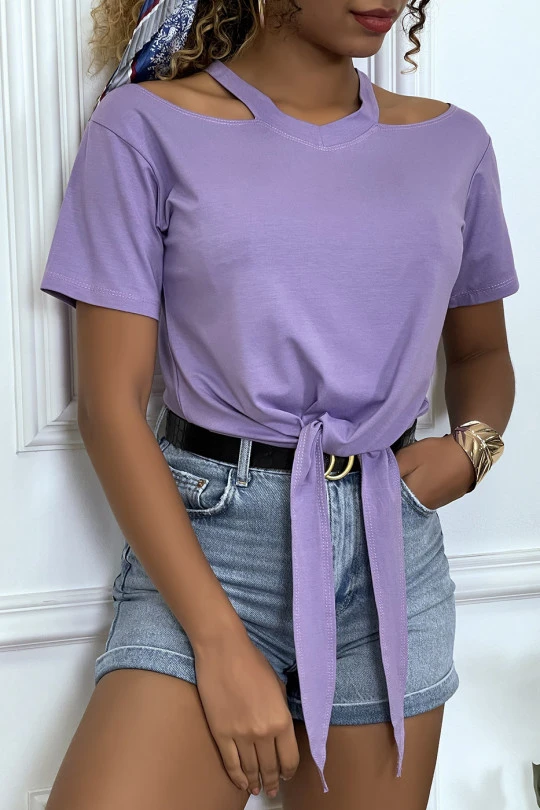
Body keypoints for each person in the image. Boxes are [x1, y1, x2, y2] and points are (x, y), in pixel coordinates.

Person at [39, 0, 519, 807]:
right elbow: (110, 407)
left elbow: (483, 355)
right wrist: (218, 642)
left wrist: (470, 454)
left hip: (392, 555)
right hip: (212, 550)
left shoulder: (453, 144)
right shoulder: (143, 127)